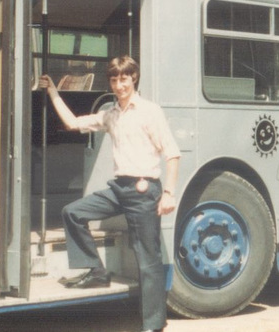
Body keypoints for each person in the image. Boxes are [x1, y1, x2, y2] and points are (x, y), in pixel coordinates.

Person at [38, 55, 180, 332]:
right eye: (114, 80)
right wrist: (53, 91)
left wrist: (169, 193)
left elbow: (172, 154)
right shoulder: (110, 114)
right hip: (120, 188)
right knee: (73, 212)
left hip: (144, 190)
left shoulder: (150, 111)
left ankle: (154, 324)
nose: (119, 85)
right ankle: (97, 270)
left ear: (133, 78)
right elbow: (72, 123)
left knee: (147, 259)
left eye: (124, 78)